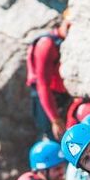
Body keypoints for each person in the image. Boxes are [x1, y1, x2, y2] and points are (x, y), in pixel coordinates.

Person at [26, 10, 72, 142]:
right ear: (64, 23)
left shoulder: (66, 43)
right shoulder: (46, 45)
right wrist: (55, 119)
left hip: (61, 95)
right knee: (55, 138)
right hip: (45, 98)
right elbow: (42, 85)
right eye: (68, 25)